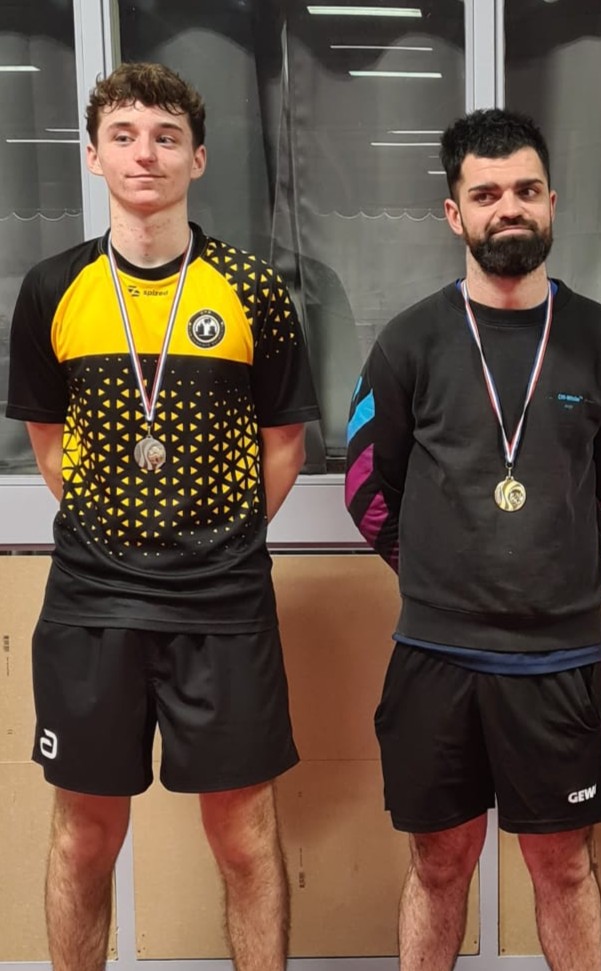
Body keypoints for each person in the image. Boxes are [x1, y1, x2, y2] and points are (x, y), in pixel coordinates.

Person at [4, 63, 318, 970]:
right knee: (83, 835)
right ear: (93, 156)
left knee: (245, 837)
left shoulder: (251, 287)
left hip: (223, 602)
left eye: (167, 136)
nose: (146, 153)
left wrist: (217, 540)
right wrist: (118, 534)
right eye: (125, 136)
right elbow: (50, 445)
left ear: (198, 158)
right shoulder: (53, 288)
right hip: (92, 601)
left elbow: (285, 445)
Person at [344, 109, 601, 971]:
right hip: (435, 654)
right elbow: (366, 488)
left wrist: (555, 559)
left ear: (551, 202)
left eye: (524, 190)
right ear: (454, 213)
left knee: (563, 866)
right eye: (484, 195)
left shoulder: (600, 337)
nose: (506, 207)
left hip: (558, 656)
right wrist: (439, 571)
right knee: (439, 864)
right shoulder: (410, 339)